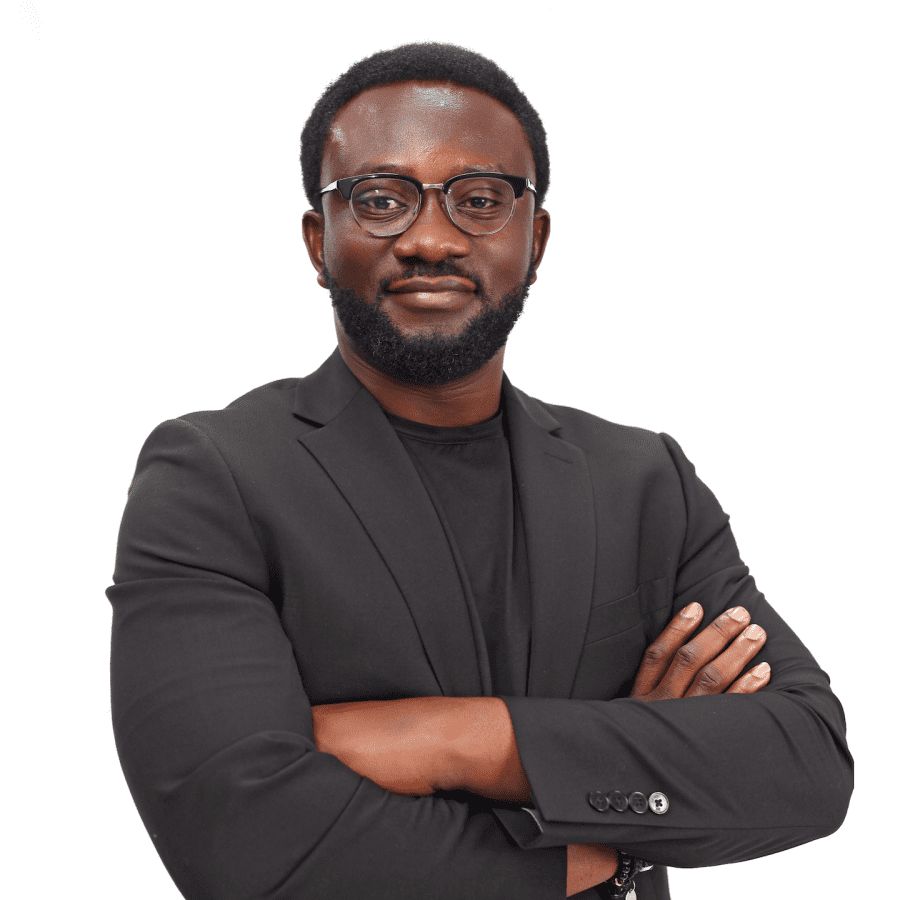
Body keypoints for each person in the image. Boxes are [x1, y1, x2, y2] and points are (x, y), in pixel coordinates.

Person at [106, 42, 852, 899]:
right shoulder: (214, 476)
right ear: (320, 241)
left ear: (534, 239)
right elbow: (237, 836)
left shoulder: (646, 481)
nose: (430, 238)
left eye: (481, 200)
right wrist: (603, 836)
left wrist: (452, 739)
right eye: (381, 199)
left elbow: (807, 764)